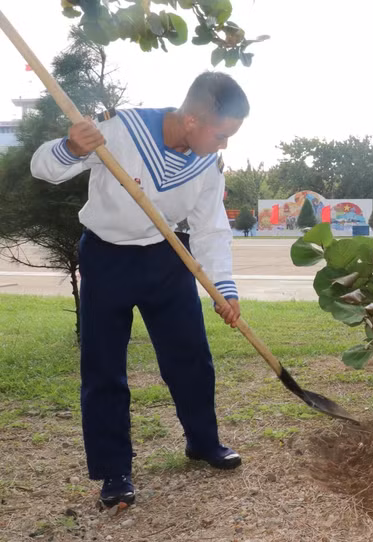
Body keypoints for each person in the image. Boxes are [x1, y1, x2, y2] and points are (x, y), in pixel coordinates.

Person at [31, 72, 249, 509]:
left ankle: (203, 442)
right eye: (221, 134)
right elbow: (43, 168)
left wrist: (223, 289)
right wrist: (72, 147)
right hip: (107, 257)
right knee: (104, 368)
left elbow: (210, 228)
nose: (224, 144)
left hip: (168, 255)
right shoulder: (119, 128)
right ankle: (114, 471)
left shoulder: (208, 164)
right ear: (191, 120)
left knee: (191, 357)